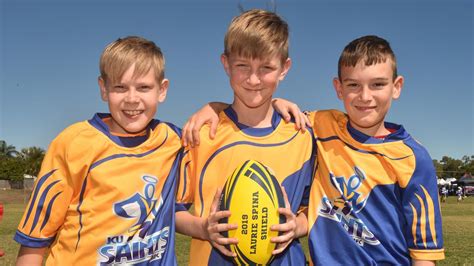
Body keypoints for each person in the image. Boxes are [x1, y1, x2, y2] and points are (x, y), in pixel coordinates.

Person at [184, 35, 445, 265]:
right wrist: (215, 107)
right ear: (338, 88)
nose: (365, 96)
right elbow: (255, 107)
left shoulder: (412, 157)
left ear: (396, 86)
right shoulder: (319, 125)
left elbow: (423, 252)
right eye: (353, 85)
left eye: (377, 84)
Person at [14, 36, 182, 265]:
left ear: (162, 90)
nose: (132, 99)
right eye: (120, 87)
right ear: (104, 89)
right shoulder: (73, 144)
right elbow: (34, 241)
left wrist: (213, 108)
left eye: (144, 87)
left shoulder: (174, 140)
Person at [175, 9, 315, 265]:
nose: (253, 79)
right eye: (242, 66)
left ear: (284, 68)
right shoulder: (201, 135)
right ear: (226, 64)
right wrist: (203, 228)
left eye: (266, 68)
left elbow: (315, 208)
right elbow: (172, 211)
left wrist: (298, 227)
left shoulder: (303, 135)